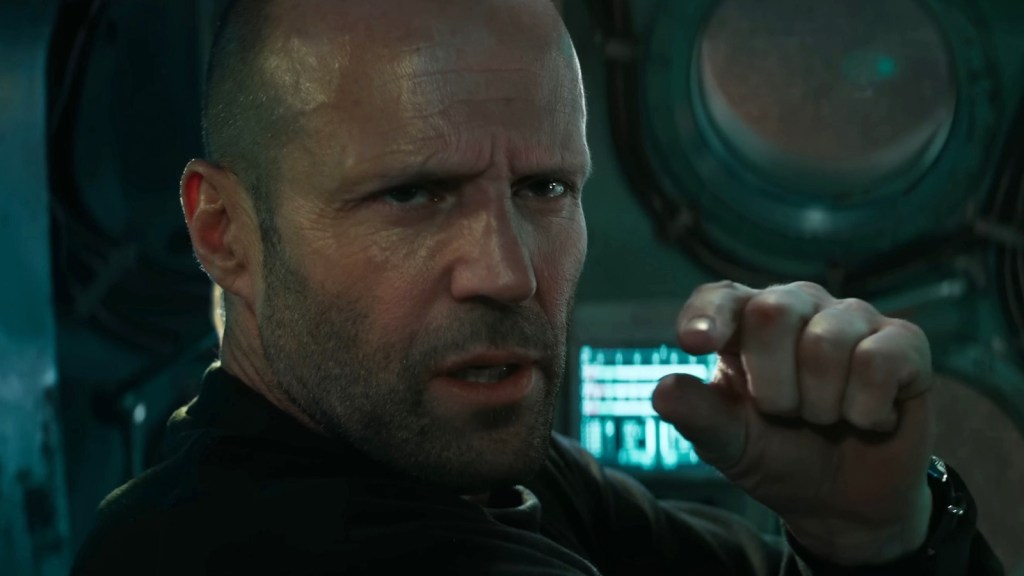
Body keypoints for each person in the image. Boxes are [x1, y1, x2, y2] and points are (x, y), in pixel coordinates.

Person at [71, 0, 1004, 574]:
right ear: (223, 231)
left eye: (546, 189)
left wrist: (870, 536)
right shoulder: (239, 545)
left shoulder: (481, 468)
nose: (509, 272)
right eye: (412, 194)